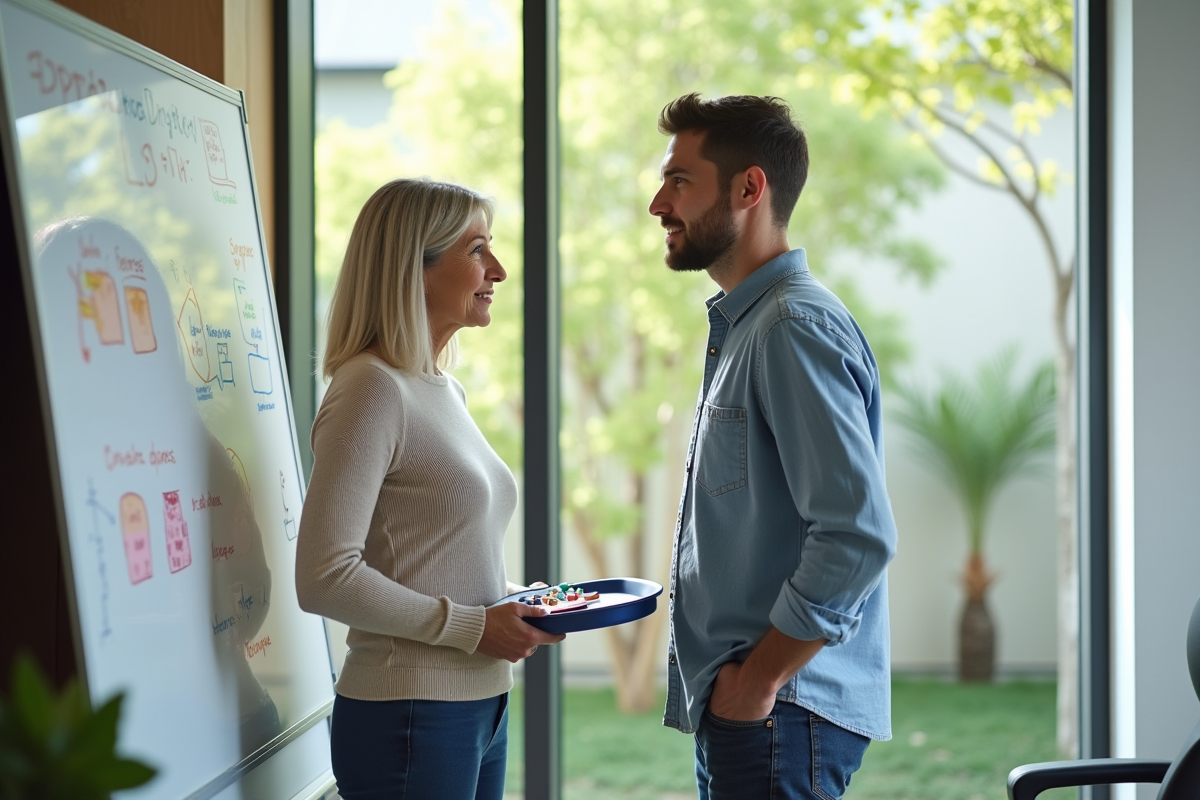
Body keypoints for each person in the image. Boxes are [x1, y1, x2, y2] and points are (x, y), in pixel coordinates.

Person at [648, 93, 898, 800]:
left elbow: (857, 535)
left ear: (749, 188)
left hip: (779, 713)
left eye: (679, 181)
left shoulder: (791, 327)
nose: (657, 204)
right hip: (761, 712)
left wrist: (759, 681)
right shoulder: (752, 326)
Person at [295, 178, 564, 800]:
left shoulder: (442, 389)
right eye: (476, 251)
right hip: (411, 712)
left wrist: (515, 604)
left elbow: (428, 555)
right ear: (413, 269)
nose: (497, 268)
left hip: (480, 703)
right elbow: (323, 576)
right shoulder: (371, 388)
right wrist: (474, 626)